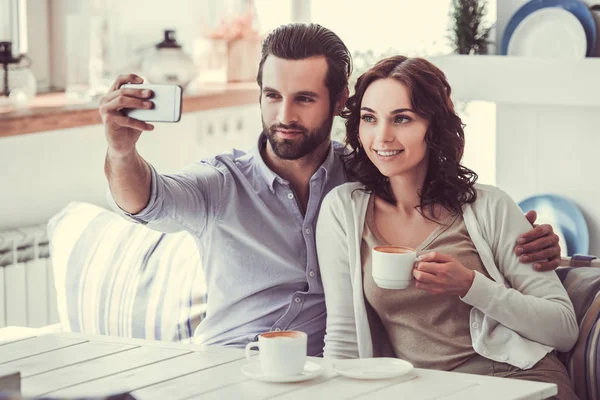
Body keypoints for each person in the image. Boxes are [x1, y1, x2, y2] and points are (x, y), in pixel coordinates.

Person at [98, 23, 563, 357]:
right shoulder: (224, 181)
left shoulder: (367, 175)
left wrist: (533, 243)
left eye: (303, 98)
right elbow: (147, 202)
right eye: (272, 96)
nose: (284, 115)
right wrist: (122, 153)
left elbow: (455, 206)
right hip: (231, 365)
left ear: (340, 101)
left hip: (325, 375)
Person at [315, 55, 578, 399]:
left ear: (433, 127)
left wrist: (471, 285)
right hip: (428, 391)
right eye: (369, 118)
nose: (382, 136)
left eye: (402, 119)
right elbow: (344, 336)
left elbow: (563, 329)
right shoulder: (343, 210)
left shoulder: (490, 206)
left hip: (518, 380)